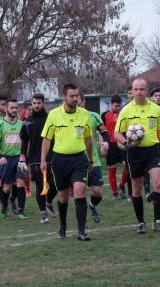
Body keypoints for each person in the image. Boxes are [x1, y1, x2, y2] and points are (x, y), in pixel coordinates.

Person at [114, 78, 160, 234]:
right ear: (132, 91)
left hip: (152, 150)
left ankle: (157, 221)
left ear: (147, 90)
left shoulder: (156, 109)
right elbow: (116, 133)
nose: (139, 92)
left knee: (158, 184)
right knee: (137, 189)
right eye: (136, 89)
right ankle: (141, 223)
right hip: (134, 153)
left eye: (142, 89)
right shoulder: (126, 110)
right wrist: (126, 144)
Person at [41, 83, 94, 241]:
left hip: (79, 159)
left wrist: (90, 159)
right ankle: (62, 227)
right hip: (60, 160)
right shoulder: (54, 115)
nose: (75, 99)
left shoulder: (84, 114)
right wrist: (43, 160)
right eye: (72, 96)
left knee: (80, 190)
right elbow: (47, 139)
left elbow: (88, 139)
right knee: (63, 197)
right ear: (64, 97)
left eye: (77, 95)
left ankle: (81, 231)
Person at [20, 93, 57, 224]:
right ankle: (43, 214)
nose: (36, 105)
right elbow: (24, 141)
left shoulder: (50, 119)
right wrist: (22, 158)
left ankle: (48, 202)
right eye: (34, 103)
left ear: (43, 103)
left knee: (55, 185)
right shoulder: (27, 122)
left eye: (39, 103)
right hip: (35, 159)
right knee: (41, 187)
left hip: (52, 157)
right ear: (31, 104)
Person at [0, 99, 28, 220]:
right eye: (11, 108)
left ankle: (21, 211)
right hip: (6, 159)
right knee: (6, 187)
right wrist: (0, 156)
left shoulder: (21, 124)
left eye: (16, 107)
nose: (14, 110)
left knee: (20, 182)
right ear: (6, 108)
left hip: (19, 158)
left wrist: (24, 155)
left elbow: (25, 141)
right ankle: (4, 206)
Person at [78, 94, 109, 224]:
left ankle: (91, 205)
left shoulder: (93, 116)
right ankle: (82, 222)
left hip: (93, 159)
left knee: (98, 192)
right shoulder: (67, 118)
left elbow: (104, 131)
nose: (77, 104)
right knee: (80, 190)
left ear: (84, 102)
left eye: (79, 102)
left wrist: (105, 143)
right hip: (76, 160)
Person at [101, 95, 126, 199]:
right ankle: (115, 193)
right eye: (116, 106)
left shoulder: (123, 114)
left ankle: (121, 185)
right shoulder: (104, 115)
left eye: (119, 106)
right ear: (111, 104)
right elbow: (101, 131)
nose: (118, 108)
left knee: (128, 165)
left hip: (122, 143)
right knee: (112, 169)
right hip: (110, 144)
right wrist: (102, 145)